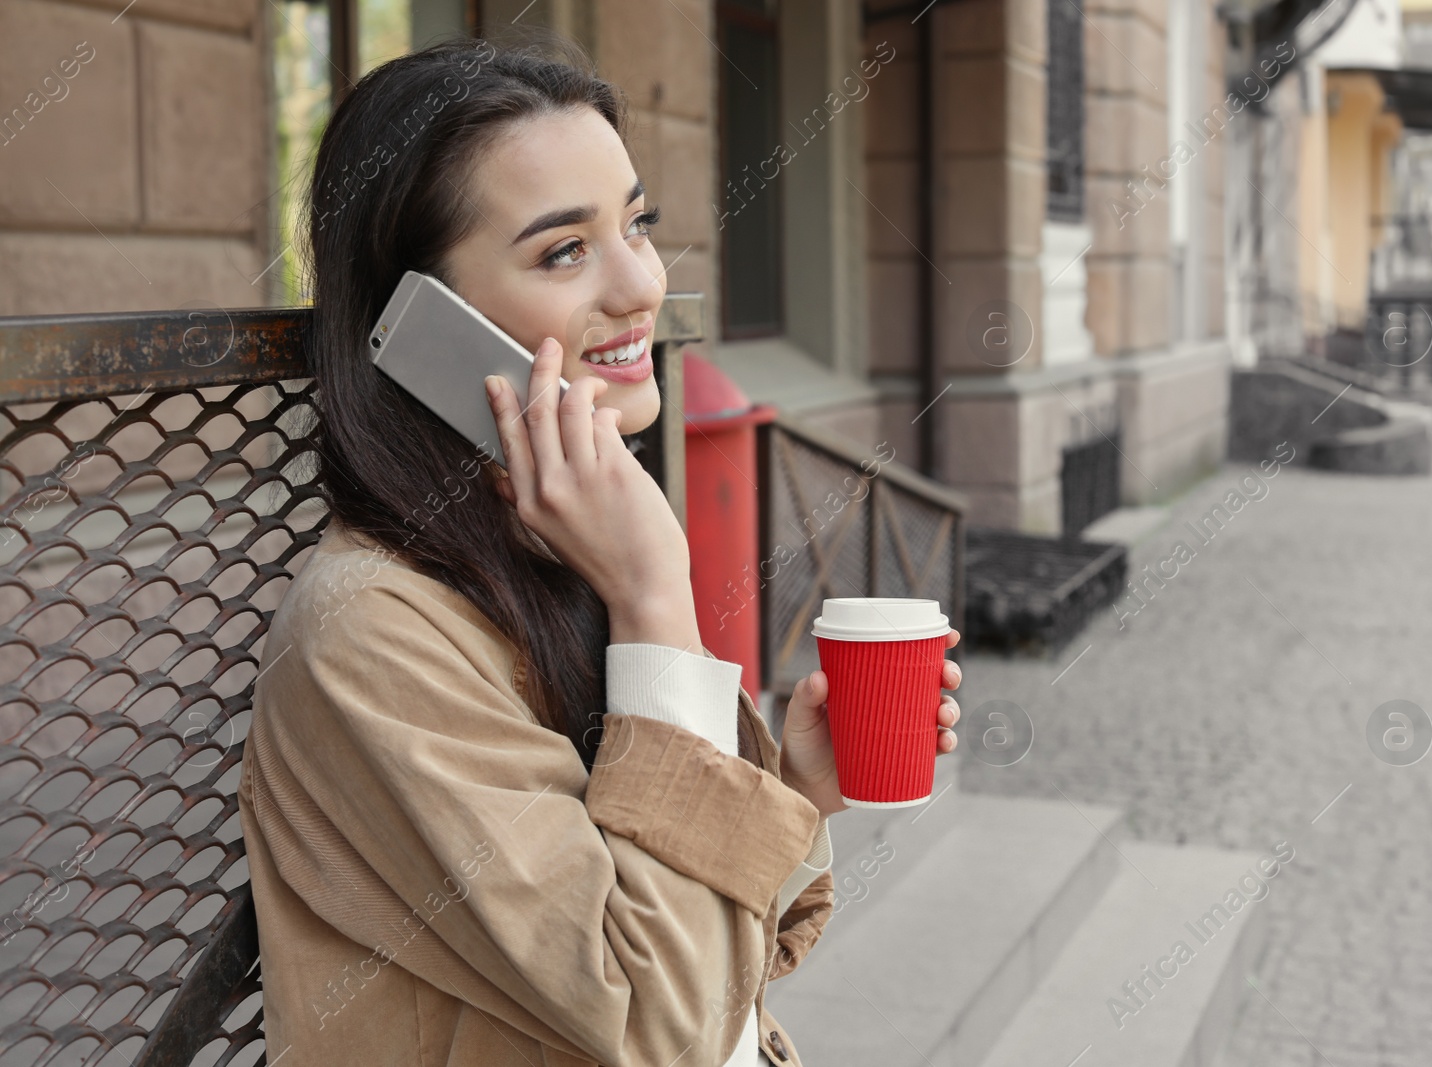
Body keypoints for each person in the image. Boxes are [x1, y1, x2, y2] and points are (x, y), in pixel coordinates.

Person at [238, 35, 964, 1067]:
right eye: (562, 251)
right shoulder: (371, 632)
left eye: (636, 224)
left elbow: (729, 963)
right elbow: (665, 1025)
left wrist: (793, 792)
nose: (640, 287)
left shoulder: (540, 544)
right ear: (424, 321)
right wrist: (657, 593)